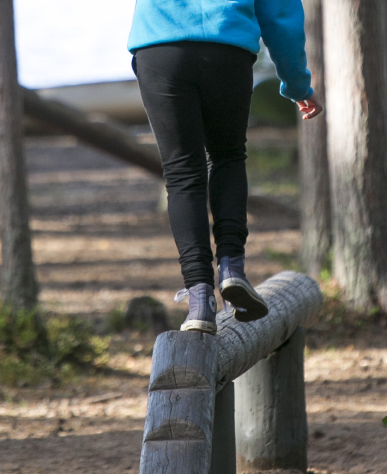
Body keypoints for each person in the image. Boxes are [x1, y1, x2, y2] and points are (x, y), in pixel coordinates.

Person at [128, 0, 323, 335]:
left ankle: (199, 297)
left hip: (160, 46)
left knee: (182, 173)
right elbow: (280, 13)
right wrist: (296, 83)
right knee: (227, 157)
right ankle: (232, 267)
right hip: (227, 48)